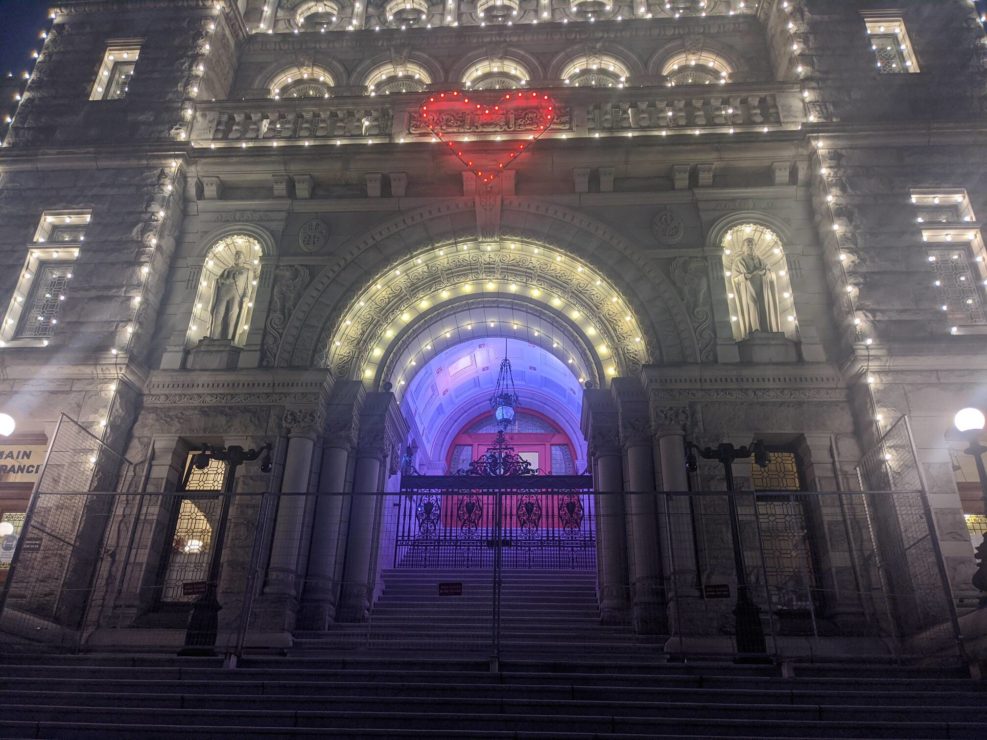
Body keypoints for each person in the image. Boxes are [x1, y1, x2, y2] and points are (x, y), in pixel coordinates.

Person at [732, 237, 781, 336]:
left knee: (764, 307)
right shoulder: (739, 262)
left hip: (763, 289)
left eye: (752, 244)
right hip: (748, 289)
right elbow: (735, 279)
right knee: (752, 307)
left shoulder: (762, 261)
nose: (751, 246)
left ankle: (766, 330)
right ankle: (755, 330)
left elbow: (772, 275)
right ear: (743, 247)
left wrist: (764, 272)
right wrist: (745, 276)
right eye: (748, 244)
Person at [208, 251, 252, 340]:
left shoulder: (246, 271)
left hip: (237, 295)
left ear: (243, 259)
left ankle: (229, 338)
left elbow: (248, 286)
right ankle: (213, 338)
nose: (237, 257)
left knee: (232, 317)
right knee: (218, 314)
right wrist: (224, 280)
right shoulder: (227, 270)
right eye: (236, 255)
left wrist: (246, 296)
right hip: (223, 293)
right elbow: (218, 281)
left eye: (240, 255)